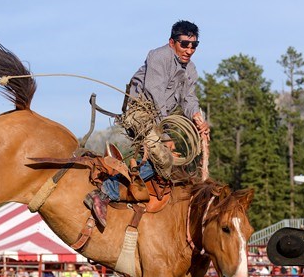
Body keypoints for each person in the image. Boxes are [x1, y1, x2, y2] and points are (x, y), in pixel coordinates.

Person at [84, 20, 210, 227]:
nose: (189, 50)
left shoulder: (191, 70)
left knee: (170, 165)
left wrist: (198, 118)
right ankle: (104, 192)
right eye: (184, 44)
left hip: (161, 119)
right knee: (163, 157)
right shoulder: (159, 56)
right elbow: (155, 96)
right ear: (172, 42)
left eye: (194, 45)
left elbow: (189, 98)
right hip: (140, 113)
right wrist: (165, 137)